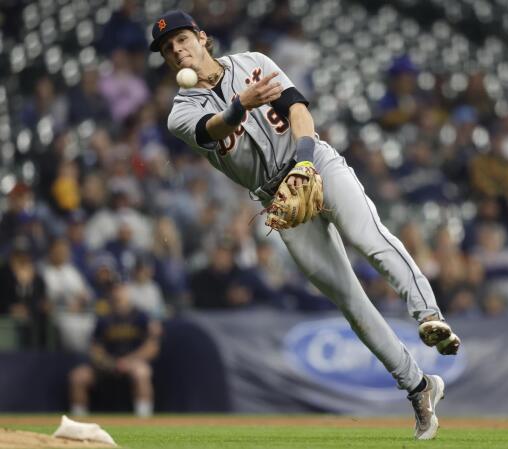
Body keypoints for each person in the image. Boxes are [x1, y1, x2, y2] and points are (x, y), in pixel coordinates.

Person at [150, 10, 461, 439]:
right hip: (277, 201)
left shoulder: (254, 62)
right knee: (348, 298)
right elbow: (214, 126)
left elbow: (297, 108)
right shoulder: (180, 112)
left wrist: (305, 162)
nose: (177, 50)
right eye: (168, 49)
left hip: (315, 163)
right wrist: (242, 104)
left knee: (369, 237)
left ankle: (428, 314)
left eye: (182, 39)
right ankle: (419, 386)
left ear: (203, 38)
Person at [69, 281, 161, 417]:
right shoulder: (103, 319)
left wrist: (128, 361)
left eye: (120, 289)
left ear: (127, 291)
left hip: (132, 364)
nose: (117, 293)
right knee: (78, 376)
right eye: (114, 290)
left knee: (142, 372)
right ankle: (78, 421)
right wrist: (109, 363)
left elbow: (152, 348)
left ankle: (144, 420)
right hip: (107, 366)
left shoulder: (141, 316)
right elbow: (95, 350)